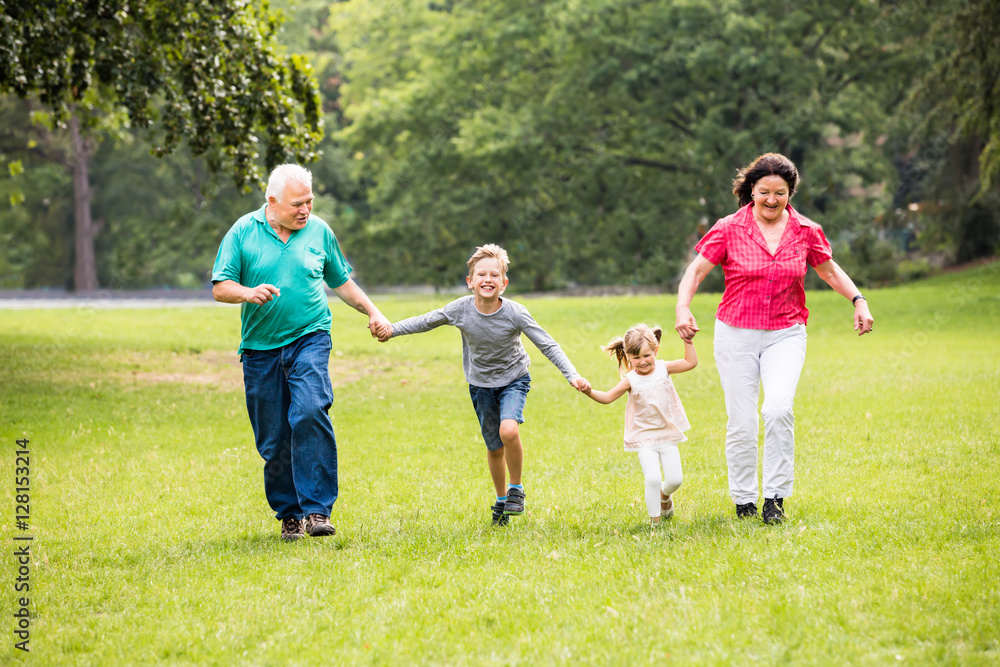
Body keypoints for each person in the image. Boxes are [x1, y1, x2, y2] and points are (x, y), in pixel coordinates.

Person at [674, 152, 874, 524]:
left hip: (786, 333)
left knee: (778, 409)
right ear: (751, 190)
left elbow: (829, 271)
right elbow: (696, 271)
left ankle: (775, 499)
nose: (770, 199)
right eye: (763, 191)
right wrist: (683, 308)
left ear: (790, 194)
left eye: (779, 193)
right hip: (735, 333)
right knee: (742, 421)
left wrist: (858, 300)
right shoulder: (729, 227)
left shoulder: (806, 231)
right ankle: (744, 499)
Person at [212, 164, 390, 541]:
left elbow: (341, 282)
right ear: (272, 202)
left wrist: (373, 311)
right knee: (274, 438)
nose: (305, 210)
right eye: (297, 204)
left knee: (309, 410)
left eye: (309, 201)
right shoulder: (243, 231)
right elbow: (220, 286)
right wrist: (246, 292)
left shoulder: (319, 231)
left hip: (310, 336)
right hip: (260, 349)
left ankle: (316, 511)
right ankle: (289, 514)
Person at [375, 244, 590, 526]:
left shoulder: (515, 312)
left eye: (494, 275)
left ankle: (516, 489)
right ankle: (501, 501)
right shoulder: (460, 310)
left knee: (508, 430)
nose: (488, 280)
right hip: (480, 386)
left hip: (514, 379)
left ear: (504, 283)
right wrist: (392, 329)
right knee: (494, 448)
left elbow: (547, 344)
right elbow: (427, 320)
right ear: (470, 281)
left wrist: (571, 374)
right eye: (481, 275)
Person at [580, 324, 697, 526]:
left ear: (655, 351)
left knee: (675, 480)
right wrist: (588, 390)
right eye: (636, 358)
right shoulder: (630, 380)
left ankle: (664, 496)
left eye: (646, 356)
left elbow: (690, 362)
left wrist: (688, 342)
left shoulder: (663, 368)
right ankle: (655, 522)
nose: (642, 362)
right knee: (652, 478)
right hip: (643, 438)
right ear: (628, 357)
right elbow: (607, 397)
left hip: (667, 433)